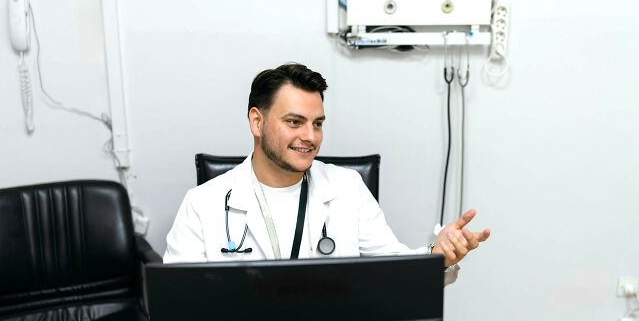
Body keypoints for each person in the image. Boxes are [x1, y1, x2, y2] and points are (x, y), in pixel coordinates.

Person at [164, 63, 490, 285]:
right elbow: (177, 304)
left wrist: (438, 256)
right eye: (295, 122)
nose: (310, 136)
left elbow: (393, 271)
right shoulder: (204, 203)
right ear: (257, 122)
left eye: (317, 123)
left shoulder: (346, 188)